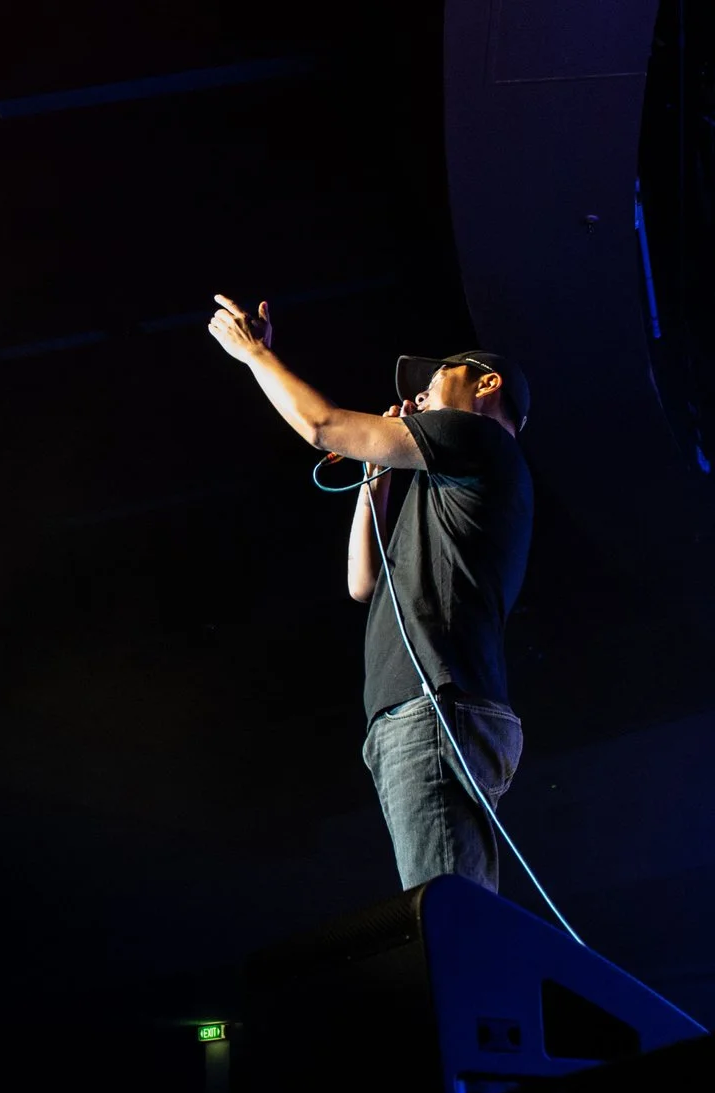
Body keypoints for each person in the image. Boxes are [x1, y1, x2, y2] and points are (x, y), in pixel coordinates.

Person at [206, 296, 534, 892]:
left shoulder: (479, 440)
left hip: (436, 701)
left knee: (449, 911)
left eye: (436, 383)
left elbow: (322, 424)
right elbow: (362, 583)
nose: (425, 398)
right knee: (454, 901)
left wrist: (254, 355)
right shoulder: (454, 483)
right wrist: (375, 479)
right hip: (427, 707)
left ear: (486, 384)